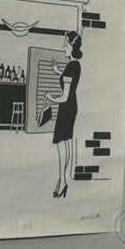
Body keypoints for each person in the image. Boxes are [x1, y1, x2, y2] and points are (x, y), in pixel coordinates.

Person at [44, 30, 82, 198]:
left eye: (65, 44)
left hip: (66, 107)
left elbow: (64, 96)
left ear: (72, 47)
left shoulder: (71, 66)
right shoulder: (75, 65)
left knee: (60, 143)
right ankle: (62, 181)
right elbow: (69, 78)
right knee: (65, 142)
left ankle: (62, 182)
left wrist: (50, 97)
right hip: (71, 106)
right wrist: (58, 71)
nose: (63, 47)